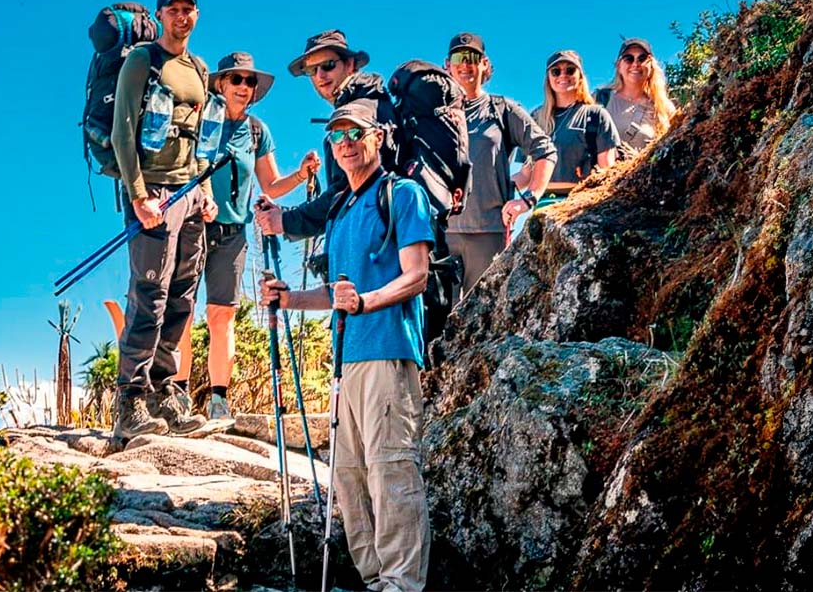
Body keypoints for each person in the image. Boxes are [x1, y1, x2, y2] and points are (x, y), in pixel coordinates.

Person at [259, 99, 432, 591]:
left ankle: (402, 583)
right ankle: (376, 580)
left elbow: (416, 276)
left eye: (355, 134)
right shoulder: (339, 209)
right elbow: (338, 295)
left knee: (390, 471)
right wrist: (288, 298)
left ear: (377, 137)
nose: (346, 144)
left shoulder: (401, 194)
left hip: (388, 352)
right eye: (336, 137)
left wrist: (366, 302)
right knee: (349, 478)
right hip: (345, 361)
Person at [173, 51, 321, 420]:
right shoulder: (199, 121)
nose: (243, 86)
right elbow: (183, 170)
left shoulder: (257, 131)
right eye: (236, 79)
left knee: (222, 313)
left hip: (234, 232)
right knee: (184, 313)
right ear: (220, 84)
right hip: (193, 226)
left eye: (249, 81)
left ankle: (219, 399)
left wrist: (302, 174)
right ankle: (177, 395)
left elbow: (271, 183)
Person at [108, 0, 215, 438]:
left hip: (189, 193)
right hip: (152, 193)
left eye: (189, 10)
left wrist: (205, 190)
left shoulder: (201, 69)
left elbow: (204, 137)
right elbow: (121, 133)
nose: (182, 17)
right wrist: (138, 196)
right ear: (160, 15)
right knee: (148, 295)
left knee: (182, 296)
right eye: (174, 10)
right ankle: (129, 404)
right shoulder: (142, 61)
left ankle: (164, 393)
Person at [442, 32, 558, 293]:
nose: (465, 64)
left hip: (489, 232)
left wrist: (528, 199)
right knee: (437, 324)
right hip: (441, 235)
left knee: (483, 316)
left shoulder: (502, 109)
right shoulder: (434, 115)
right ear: (447, 65)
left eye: (473, 57)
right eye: (458, 57)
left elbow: (546, 151)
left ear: (484, 64)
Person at [256, 29, 397, 240]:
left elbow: (345, 195)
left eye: (328, 65)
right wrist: (286, 214)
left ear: (350, 65)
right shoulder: (372, 103)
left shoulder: (361, 113)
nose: (320, 76)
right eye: (312, 70)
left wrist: (284, 221)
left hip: (377, 249)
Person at [529, 50, 620, 200]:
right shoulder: (535, 118)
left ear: (580, 76)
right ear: (548, 78)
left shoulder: (595, 116)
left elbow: (607, 172)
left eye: (570, 70)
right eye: (556, 71)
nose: (563, 75)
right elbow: (526, 174)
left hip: (581, 203)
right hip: (542, 201)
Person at [594, 37, 678, 160]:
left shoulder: (664, 108)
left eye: (642, 58)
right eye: (628, 59)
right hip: (601, 177)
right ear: (618, 66)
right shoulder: (600, 99)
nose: (635, 64)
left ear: (651, 65)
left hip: (645, 178)